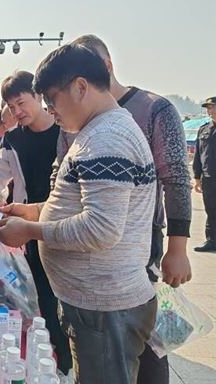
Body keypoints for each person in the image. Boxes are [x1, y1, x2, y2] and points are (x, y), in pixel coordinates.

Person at [0, 44, 157, 384]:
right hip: (96, 306)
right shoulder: (98, 132)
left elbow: (100, 229)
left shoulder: (107, 138)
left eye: (52, 99)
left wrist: (30, 230)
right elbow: (85, 206)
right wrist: (36, 211)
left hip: (105, 307)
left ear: (80, 87)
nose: (50, 110)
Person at [54, 35, 193, 383]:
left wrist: (177, 248)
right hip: (86, 253)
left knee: (146, 343)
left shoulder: (154, 109)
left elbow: (176, 178)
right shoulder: (77, 118)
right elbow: (61, 171)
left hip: (138, 243)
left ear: (101, 70)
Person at [0, 71, 71, 375]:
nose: (16, 112)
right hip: (26, 232)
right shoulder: (14, 139)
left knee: (65, 303)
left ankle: (66, 360)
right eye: (11, 107)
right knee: (40, 298)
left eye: (21, 103)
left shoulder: (66, 133)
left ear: (38, 96)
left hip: (63, 228)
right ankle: (53, 363)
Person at [193, 96, 216, 252]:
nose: (209, 110)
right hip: (208, 178)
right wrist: (197, 177)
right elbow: (198, 155)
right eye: (208, 108)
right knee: (211, 210)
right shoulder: (204, 129)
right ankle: (212, 241)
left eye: (212, 107)